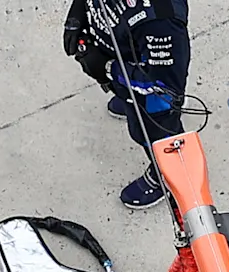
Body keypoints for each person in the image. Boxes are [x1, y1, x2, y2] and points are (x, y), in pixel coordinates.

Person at [62, 0, 190, 209]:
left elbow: (162, 85)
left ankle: (165, 177)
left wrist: (106, 67)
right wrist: (77, 15)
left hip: (150, 95)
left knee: (153, 132)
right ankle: (126, 96)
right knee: (128, 100)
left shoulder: (160, 22)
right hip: (122, 55)